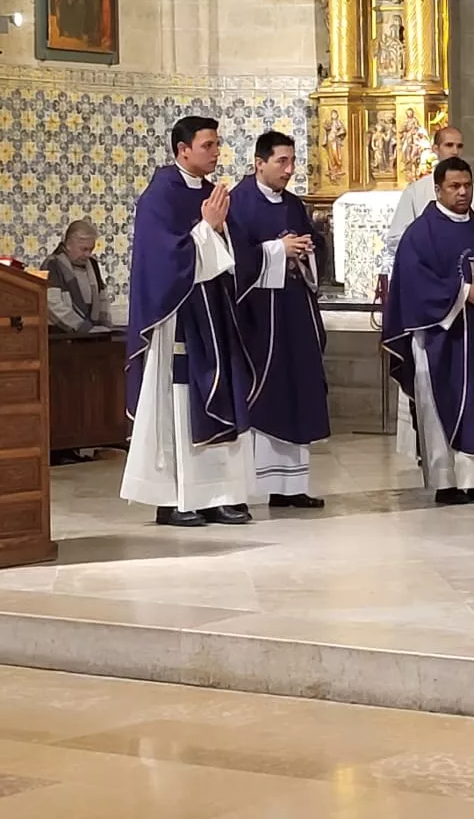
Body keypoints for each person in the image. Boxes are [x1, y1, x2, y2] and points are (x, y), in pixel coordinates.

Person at [120, 116, 255, 528]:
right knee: (181, 403)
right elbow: (163, 258)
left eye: (217, 145)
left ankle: (219, 494)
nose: (216, 152)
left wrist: (219, 232)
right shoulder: (160, 194)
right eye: (209, 145)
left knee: (220, 393)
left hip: (213, 312)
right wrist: (207, 230)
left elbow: (234, 250)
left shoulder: (211, 193)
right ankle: (177, 499)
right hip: (179, 318)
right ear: (183, 151)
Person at [381, 157, 474, 506]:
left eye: (467, 186)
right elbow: (414, 283)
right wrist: (464, 293)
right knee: (441, 403)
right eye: (454, 187)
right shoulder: (421, 233)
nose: (462, 193)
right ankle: (449, 482)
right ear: (438, 188)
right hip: (444, 337)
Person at [229, 130, 329, 510]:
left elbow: (312, 245)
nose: (289, 170)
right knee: (267, 395)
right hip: (261, 317)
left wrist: (305, 250)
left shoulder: (293, 204)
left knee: (298, 390)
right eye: (281, 162)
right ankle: (257, 487)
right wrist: (277, 250)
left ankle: (292, 487)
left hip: (295, 310)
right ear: (259, 163)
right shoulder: (240, 202)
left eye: (292, 162)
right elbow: (236, 258)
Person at [384, 126, 474, 270]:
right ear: (435, 149)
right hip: (429, 272)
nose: (455, 151)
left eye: (459, 146)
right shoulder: (415, 192)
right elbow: (396, 239)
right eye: (449, 145)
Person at [44, 219, 112, 334]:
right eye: (84, 249)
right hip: (61, 336)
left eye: (91, 249)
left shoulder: (92, 264)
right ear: (69, 245)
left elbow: (102, 298)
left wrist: (105, 326)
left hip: (92, 334)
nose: (88, 254)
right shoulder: (52, 265)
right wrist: (82, 327)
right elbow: (52, 304)